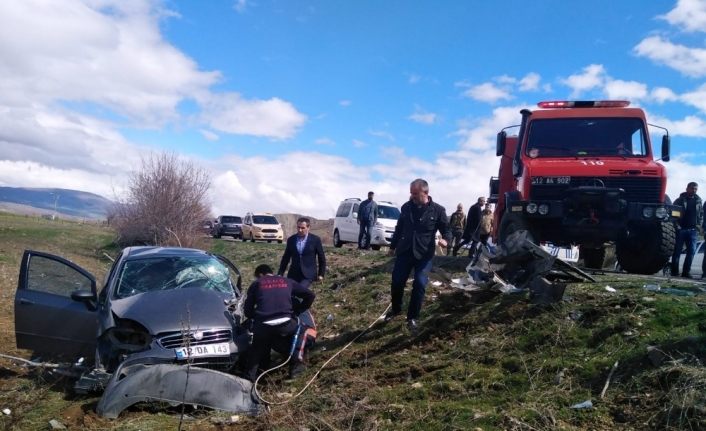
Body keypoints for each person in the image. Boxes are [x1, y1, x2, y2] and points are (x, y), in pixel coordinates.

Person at [385, 178, 451, 331]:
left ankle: (412, 317)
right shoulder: (406, 208)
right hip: (405, 252)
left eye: (415, 193)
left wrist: (446, 240)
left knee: (420, 284)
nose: (412, 196)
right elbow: (399, 228)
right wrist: (392, 247)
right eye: (411, 193)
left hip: (424, 254)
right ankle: (396, 310)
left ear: (425, 193)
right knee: (397, 282)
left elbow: (447, 230)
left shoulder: (438, 210)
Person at [243, 264, 316, 381]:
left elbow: (247, 311)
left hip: (263, 325)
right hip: (286, 324)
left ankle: (249, 379)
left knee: (256, 349)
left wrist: (256, 318)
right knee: (302, 332)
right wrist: (297, 311)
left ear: (260, 275)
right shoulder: (287, 281)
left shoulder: (256, 284)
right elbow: (310, 295)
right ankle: (296, 371)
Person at [278, 217, 326, 288]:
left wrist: (321, 274)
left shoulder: (315, 240)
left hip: (308, 275)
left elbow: (321, 258)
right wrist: (280, 273)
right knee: (288, 291)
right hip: (293, 274)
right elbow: (286, 258)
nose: (300, 230)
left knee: (300, 290)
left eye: (303, 228)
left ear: (308, 227)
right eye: (298, 227)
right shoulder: (291, 240)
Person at [671, 182, 703, 278]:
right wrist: (677, 226)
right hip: (681, 230)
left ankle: (686, 272)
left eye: (695, 189)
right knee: (677, 251)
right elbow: (673, 214)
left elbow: (701, 214)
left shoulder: (698, 201)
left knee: (691, 252)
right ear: (687, 188)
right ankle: (674, 272)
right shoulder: (679, 200)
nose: (694, 190)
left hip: (693, 230)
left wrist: (698, 226)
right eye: (692, 188)